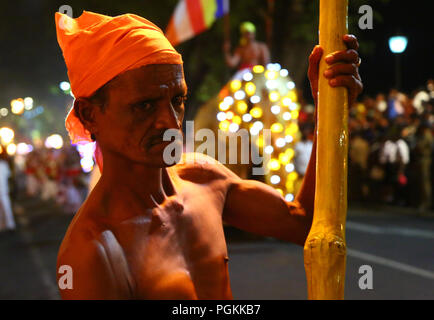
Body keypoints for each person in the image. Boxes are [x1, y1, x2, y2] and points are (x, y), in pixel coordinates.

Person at [55, 11, 362, 299]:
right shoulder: (92, 249)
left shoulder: (204, 178)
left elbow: (306, 223)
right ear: (90, 115)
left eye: (177, 100)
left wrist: (330, 107)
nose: (170, 122)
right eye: (145, 105)